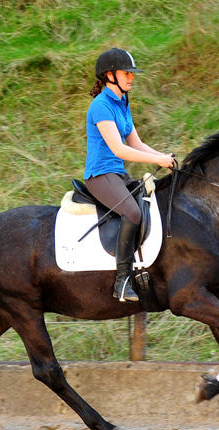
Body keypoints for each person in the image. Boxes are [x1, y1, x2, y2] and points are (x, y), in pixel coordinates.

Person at [84, 47, 174, 302]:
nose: (132, 78)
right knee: (132, 213)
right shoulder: (100, 106)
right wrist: (157, 159)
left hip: (117, 174)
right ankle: (122, 281)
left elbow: (136, 143)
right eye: (127, 73)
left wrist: (164, 158)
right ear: (110, 75)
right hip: (100, 175)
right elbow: (118, 148)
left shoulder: (122, 103)